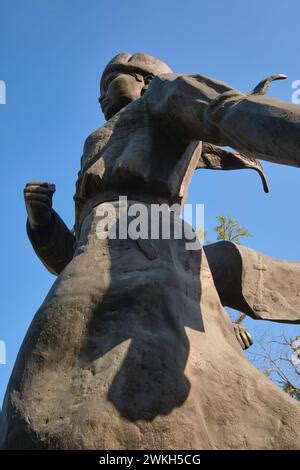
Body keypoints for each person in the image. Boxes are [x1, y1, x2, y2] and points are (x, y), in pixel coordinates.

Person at [2, 53, 299, 450]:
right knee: (34, 412)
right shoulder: (95, 141)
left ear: (144, 80)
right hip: (84, 275)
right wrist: (41, 223)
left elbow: (230, 112)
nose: (101, 97)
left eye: (110, 82)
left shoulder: (166, 95)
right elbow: (71, 253)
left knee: (156, 407)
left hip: (158, 256)